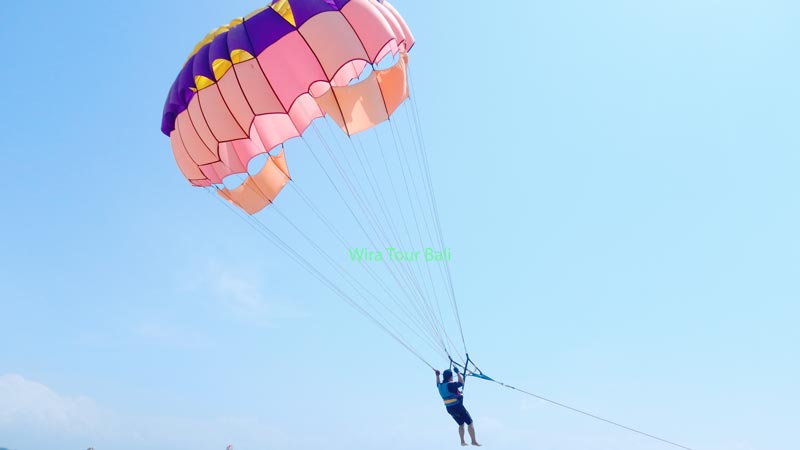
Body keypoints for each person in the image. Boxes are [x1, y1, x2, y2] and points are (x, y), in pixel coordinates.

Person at [435, 367, 481, 446]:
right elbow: (461, 382)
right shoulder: (450, 385)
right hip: (457, 407)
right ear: (450, 377)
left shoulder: (440, 386)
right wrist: (458, 372)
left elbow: (438, 383)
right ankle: (473, 441)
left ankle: (462, 442)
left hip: (450, 409)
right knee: (470, 422)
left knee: (461, 424)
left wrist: (437, 375)